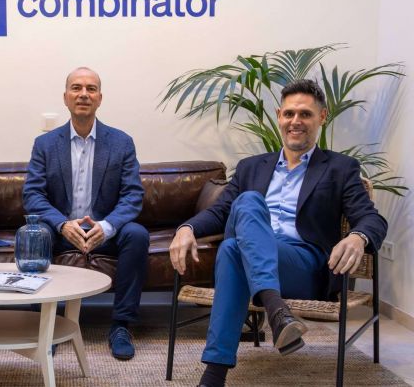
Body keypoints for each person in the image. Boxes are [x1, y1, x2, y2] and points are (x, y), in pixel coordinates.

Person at [168, 79, 388, 387]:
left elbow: (371, 219)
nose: (295, 121)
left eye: (305, 114)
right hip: (253, 258)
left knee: (232, 248)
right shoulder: (251, 167)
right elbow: (219, 212)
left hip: (301, 264)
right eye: (289, 113)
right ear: (278, 116)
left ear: (322, 117)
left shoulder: (340, 168)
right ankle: (276, 312)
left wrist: (357, 237)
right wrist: (187, 228)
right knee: (246, 208)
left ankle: (216, 373)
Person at [23, 67, 149, 360]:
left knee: (137, 234)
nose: (83, 94)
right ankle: (46, 324)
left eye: (91, 89)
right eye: (76, 88)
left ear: (100, 98)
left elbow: (133, 195)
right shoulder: (45, 144)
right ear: (65, 97)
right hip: (61, 232)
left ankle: (121, 325)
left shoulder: (121, 142)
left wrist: (107, 226)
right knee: (36, 233)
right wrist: (62, 224)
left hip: (105, 233)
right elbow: (32, 195)